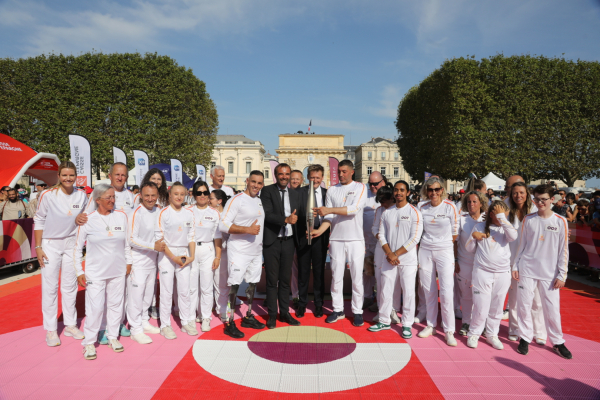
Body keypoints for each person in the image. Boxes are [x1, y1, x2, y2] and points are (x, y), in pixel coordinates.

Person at [513, 184, 572, 359]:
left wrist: (562, 274)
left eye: (544, 199)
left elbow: (564, 250)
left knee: (552, 308)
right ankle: (524, 337)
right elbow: (520, 246)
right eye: (537, 199)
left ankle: (557, 341)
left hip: (550, 273)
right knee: (524, 305)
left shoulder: (560, 221)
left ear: (552, 200)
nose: (540, 203)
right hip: (527, 269)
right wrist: (515, 266)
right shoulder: (528, 219)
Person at [74, 184, 132, 360]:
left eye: (113, 197)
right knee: (96, 308)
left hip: (117, 270)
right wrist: (79, 271)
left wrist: (128, 261)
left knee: (115, 305)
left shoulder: (121, 216)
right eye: (108, 198)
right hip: (95, 272)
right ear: (98, 200)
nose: (112, 201)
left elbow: (127, 242)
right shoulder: (87, 219)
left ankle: (113, 336)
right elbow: (77, 249)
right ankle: (89, 343)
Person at [79, 162, 135, 342]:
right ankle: (101, 329)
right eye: (117, 174)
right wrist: (77, 219)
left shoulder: (130, 196)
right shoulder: (98, 193)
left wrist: (128, 258)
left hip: (121, 251)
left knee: (118, 297)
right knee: (98, 299)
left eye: (124, 175)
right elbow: (85, 218)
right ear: (110, 175)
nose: (120, 178)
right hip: (100, 254)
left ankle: (115, 326)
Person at [34, 161, 88, 347]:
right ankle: (50, 329)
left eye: (71, 175)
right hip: (50, 245)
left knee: (70, 286)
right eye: (64, 175)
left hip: (71, 244)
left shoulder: (81, 195)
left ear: (75, 176)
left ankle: (71, 324)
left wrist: (82, 219)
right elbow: (39, 220)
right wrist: (38, 248)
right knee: (50, 286)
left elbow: (86, 217)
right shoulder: (47, 195)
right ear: (58, 176)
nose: (68, 178)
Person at [313, 160, 367, 327]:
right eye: (339, 171)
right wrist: (319, 231)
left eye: (344, 171)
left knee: (357, 277)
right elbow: (329, 218)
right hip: (336, 239)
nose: (341, 174)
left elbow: (353, 209)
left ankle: (357, 311)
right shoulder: (331, 190)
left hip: (356, 239)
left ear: (351, 172)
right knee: (336, 277)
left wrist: (329, 210)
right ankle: (338, 309)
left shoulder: (360, 187)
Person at [369, 180, 423, 336]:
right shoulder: (387, 212)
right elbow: (381, 235)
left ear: (408, 192)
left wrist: (395, 254)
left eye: (402, 190)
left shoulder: (414, 212)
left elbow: (415, 239)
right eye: (396, 190)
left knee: (408, 292)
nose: (398, 193)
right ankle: (384, 320)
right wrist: (389, 253)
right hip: (388, 259)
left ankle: (407, 324)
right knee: (385, 289)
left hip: (407, 260)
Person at [219, 170, 266, 338]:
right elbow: (223, 224)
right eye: (253, 182)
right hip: (239, 251)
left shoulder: (259, 200)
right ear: (247, 181)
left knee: (252, 283)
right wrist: (247, 230)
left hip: (255, 251)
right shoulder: (236, 200)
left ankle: (248, 316)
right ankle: (230, 322)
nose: (256, 186)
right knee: (235, 285)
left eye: (259, 183)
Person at [465, 201, 517, 350]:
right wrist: (473, 237)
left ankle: (492, 334)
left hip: (502, 273)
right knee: (481, 305)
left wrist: (502, 218)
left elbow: (513, 236)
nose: (502, 217)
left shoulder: (506, 228)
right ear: (491, 214)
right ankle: (474, 333)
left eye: (505, 214)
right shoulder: (479, 227)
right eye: (498, 214)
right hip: (482, 272)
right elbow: (469, 249)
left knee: (497, 306)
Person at [417, 176, 459, 346]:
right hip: (425, 250)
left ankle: (449, 330)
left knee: (447, 290)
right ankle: (431, 324)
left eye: (436, 189)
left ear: (442, 190)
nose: (433, 193)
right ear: (426, 191)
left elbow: (455, 232)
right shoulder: (422, 206)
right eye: (430, 190)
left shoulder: (450, 206)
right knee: (428, 289)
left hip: (444, 250)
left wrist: (444, 245)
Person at [261, 163, 301, 328]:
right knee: (272, 281)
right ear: (276, 175)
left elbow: (299, 215)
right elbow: (268, 214)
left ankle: (284, 313)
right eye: (281, 174)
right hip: (272, 242)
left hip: (289, 242)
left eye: (287, 174)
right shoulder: (267, 191)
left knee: (285, 281)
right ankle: (272, 315)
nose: (284, 177)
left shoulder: (294, 194)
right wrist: (285, 220)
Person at [155, 182, 197, 339]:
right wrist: (173, 257)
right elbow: (159, 240)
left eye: (182, 194)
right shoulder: (163, 213)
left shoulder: (189, 213)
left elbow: (191, 236)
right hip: (167, 255)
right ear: (170, 195)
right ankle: (165, 325)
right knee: (166, 291)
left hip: (184, 255)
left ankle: (186, 321)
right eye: (176, 194)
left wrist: (191, 256)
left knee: (184, 290)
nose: (179, 197)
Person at [507, 182, 546, 343]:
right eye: (515, 193)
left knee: (536, 299)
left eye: (521, 192)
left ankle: (539, 332)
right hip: (512, 259)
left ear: (527, 193)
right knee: (514, 298)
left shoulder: (536, 210)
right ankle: (515, 328)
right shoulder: (507, 209)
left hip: (532, 260)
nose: (518, 196)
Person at [127, 182, 164, 345]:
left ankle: (143, 321)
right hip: (138, 260)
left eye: (153, 195)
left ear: (157, 196)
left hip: (153, 260)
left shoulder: (159, 211)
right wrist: (152, 246)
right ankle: (135, 329)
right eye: (147, 195)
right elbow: (131, 239)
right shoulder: (135, 213)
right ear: (140, 195)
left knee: (148, 294)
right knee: (136, 295)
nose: (150, 199)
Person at [188, 180, 222, 332]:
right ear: (194, 195)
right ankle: (192, 315)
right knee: (192, 286)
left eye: (205, 192)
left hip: (208, 249)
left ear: (209, 194)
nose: (202, 196)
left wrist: (218, 257)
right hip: (191, 250)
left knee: (207, 287)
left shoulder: (214, 213)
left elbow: (218, 237)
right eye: (199, 193)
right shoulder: (188, 211)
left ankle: (206, 317)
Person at [295, 164, 329, 318]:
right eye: (312, 177)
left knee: (319, 272)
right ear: (307, 177)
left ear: (322, 178)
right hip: (304, 236)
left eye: (318, 177)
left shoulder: (327, 193)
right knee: (303, 272)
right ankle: (302, 303)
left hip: (320, 237)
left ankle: (318, 304)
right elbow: (295, 214)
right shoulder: (299, 193)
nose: (315, 180)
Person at [370, 184, 406, 327]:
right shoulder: (379, 210)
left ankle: (394, 309)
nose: (383, 205)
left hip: (397, 250)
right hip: (381, 249)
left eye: (385, 201)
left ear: (392, 198)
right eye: (381, 202)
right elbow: (374, 228)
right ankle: (382, 309)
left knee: (395, 281)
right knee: (380, 280)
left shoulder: (397, 209)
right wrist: (381, 238)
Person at [455, 191, 487, 336]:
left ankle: (481, 323)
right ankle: (466, 322)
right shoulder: (461, 219)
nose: (471, 204)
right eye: (469, 202)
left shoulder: (487, 219)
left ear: (481, 203)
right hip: (464, 263)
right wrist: (455, 260)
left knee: (482, 297)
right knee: (466, 296)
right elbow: (455, 242)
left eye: (474, 201)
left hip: (483, 265)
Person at [363, 172, 387, 311]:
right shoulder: (364, 196)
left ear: (382, 182)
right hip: (367, 242)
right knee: (366, 273)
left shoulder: (388, 196)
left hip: (382, 244)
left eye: (376, 184)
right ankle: (367, 297)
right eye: (370, 183)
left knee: (381, 274)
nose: (372, 186)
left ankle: (380, 301)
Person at [209, 189, 231, 322]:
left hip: (224, 252)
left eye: (211, 198)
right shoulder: (209, 213)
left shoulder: (226, 216)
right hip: (210, 251)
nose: (208, 200)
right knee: (214, 281)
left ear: (219, 201)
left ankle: (222, 307)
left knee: (221, 281)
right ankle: (219, 307)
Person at [289, 169, 304, 307]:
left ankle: (298, 295)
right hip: (287, 236)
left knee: (299, 268)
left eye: (297, 179)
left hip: (301, 236)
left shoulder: (305, 194)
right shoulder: (283, 193)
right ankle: (294, 295)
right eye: (292, 178)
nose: (294, 181)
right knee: (290, 268)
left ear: (302, 180)